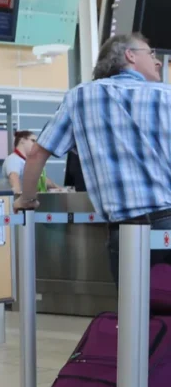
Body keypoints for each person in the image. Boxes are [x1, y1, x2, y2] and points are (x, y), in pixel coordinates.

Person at [16, 32, 171, 286]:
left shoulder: (81, 97)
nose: (157, 61)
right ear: (129, 55)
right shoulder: (167, 96)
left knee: (137, 316)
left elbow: (36, 154)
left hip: (129, 229)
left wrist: (27, 199)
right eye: (151, 54)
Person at [3, 130, 58, 194]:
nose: (36, 145)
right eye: (33, 141)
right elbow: (15, 183)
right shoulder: (13, 159)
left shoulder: (27, 162)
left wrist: (60, 189)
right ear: (22, 140)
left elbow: (44, 181)